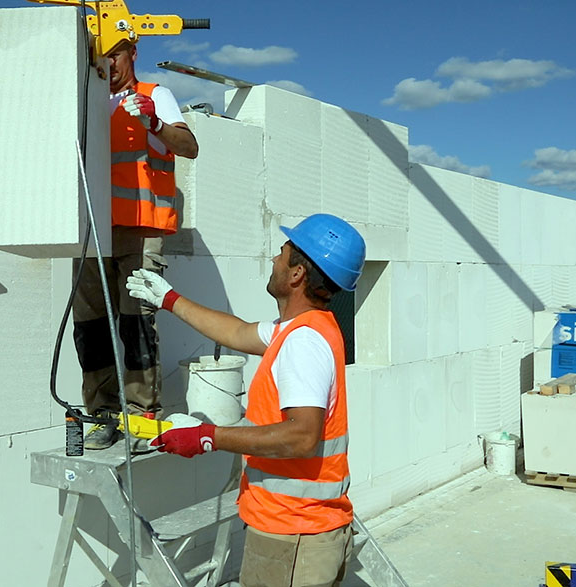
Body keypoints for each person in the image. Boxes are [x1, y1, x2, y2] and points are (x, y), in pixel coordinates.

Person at [126, 213, 365, 587]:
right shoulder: (303, 328)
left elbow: (301, 436)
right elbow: (236, 331)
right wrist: (169, 299)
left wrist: (208, 436)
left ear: (297, 274)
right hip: (298, 528)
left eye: (282, 253)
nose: (273, 259)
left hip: (293, 536)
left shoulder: (303, 343)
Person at [76, 39, 198, 449]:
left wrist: (155, 123)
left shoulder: (154, 96)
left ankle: (141, 415)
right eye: (102, 55)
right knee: (90, 326)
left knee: (136, 323)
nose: (108, 63)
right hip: (93, 229)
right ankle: (102, 415)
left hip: (140, 228)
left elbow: (189, 147)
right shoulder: (86, 100)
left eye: (116, 54)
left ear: (132, 54)